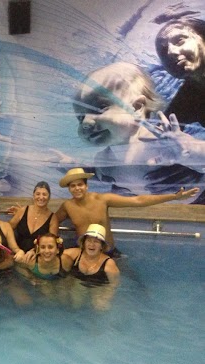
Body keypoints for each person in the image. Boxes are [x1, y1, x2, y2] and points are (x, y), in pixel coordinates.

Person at [73, 62, 205, 201]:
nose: (86, 123)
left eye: (100, 108)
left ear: (137, 107)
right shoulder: (103, 160)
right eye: (80, 118)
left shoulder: (161, 141)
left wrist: (189, 150)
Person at [56, 167, 199, 251]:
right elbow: (52, 221)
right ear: (69, 189)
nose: (77, 188)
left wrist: (174, 197)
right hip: (83, 254)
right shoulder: (68, 206)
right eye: (73, 186)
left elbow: (138, 200)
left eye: (80, 184)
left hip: (107, 252)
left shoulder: (102, 200)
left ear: (86, 186)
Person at [155, 18, 205, 126]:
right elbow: (162, 131)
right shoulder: (188, 100)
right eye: (164, 51)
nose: (170, 52)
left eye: (179, 41)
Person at [61, 224, 119, 311]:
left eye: (96, 241)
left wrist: (105, 297)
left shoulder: (108, 264)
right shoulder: (75, 254)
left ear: (102, 246)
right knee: (75, 303)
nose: (92, 244)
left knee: (99, 307)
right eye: (89, 240)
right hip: (78, 285)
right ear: (84, 243)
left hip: (98, 286)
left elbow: (114, 284)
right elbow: (55, 255)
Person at [8, 181, 59, 252]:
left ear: (49, 197)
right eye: (38, 194)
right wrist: (16, 249)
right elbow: (7, 230)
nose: (41, 197)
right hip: (17, 253)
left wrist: (35, 251)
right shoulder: (23, 210)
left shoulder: (53, 218)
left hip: (39, 255)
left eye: (44, 194)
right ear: (33, 196)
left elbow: (52, 243)